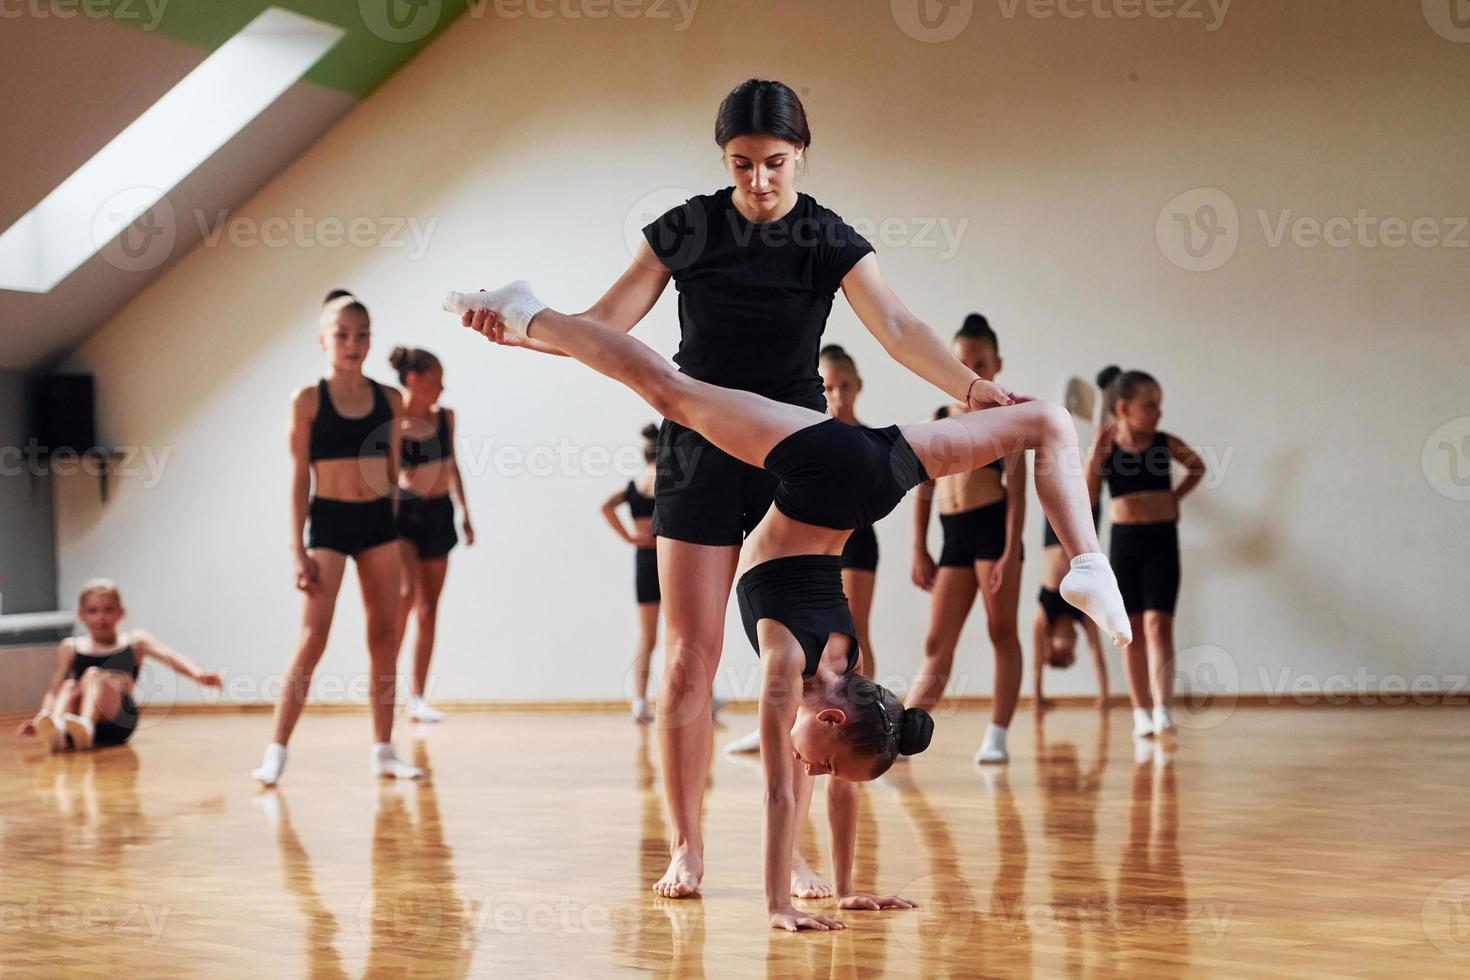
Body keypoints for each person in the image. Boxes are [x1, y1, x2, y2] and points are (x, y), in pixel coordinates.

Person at [446, 269, 1133, 924]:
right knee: (664, 387)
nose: (817, 769)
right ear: (830, 722)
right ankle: (525, 309)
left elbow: (839, 786)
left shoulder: (854, 683)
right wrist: (778, 905)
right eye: (826, 761)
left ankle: (1088, 561)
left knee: (1043, 422)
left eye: (828, 770)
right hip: (823, 471)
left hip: (874, 475)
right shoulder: (785, 668)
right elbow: (778, 793)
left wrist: (849, 888)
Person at [251, 292, 421, 786]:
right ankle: (276, 753)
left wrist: (393, 529)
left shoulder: (390, 399)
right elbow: (298, 476)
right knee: (313, 637)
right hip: (327, 522)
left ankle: (384, 750)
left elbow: (391, 472)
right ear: (323, 340)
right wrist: (297, 549)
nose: (352, 344)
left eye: (361, 334)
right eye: (342, 335)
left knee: (385, 637)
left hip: (377, 526)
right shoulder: (307, 400)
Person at [908, 315, 1028, 764]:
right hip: (952, 536)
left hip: (994, 531)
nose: (974, 371)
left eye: (981, 363)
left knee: (1001, 632)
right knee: (937, 641)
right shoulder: (938, 420)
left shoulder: (1010, 420)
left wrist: (1008, 552)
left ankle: (997, 733)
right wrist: (918, 547)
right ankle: (906, 731)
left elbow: (1018, 494)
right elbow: (923, 490)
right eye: (963, 363)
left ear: (997, 363)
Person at [1087, 366, 1206, 738]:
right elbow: (1088, 497)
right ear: (1124, 408)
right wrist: (1094, 455)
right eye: (1150, 406)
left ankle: (1162, 708)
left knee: (1159, 624)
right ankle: (1140, 712)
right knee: (1132, 630)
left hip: (1161, 541)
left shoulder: (1164, 443)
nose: (1158, 413)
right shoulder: (1106, 447)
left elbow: (1197, 467)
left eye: (1159, 405)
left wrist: (1175, 499)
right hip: (1125, 544)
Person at [16, 579, 222, 751]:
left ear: (121, 612)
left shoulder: (134, 641)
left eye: (108, 610)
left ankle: (86, 726)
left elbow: (169, 656)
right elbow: (54, 690)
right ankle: (56, 731)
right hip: (73, 722)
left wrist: (197, 673)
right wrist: (41, 719)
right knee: (68, 686)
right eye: (93, 611)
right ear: (82, 615)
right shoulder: (71, 647)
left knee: (93, 675)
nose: (101, 617)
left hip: (117, 721)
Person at [388, 345, 474, 724]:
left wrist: (466, 511)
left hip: (440, 512)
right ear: (413, 380)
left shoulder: (445, 418)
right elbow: (386, 474)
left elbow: (453, 465)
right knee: (405, 596)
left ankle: (418, 697)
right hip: (404, 515)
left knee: (428, 608)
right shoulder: (393, 420)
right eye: (436, 382)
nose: (442, 389)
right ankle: (384, 688)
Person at [600, 423, 663, 723]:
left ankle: (639, 701)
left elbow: (606, 507)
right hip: (667, 561)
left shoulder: (635, 485)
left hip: (643, 561)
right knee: (690, 634)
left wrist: (628, 537)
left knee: (647, 637)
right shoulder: (666, 482)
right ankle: (704, 698)